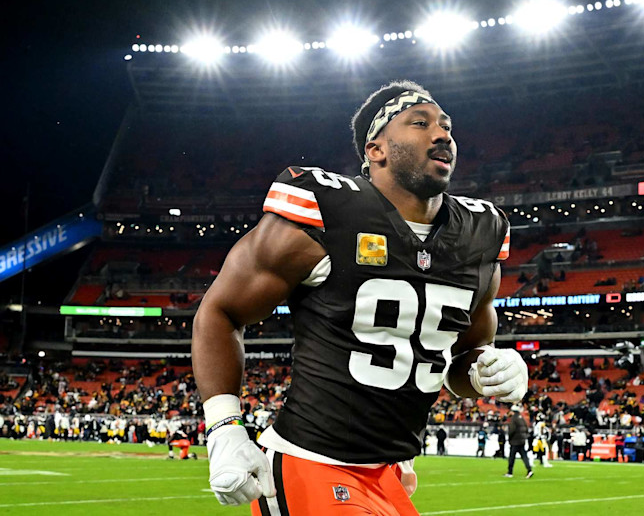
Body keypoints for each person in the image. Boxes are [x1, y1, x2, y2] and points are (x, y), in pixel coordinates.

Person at [191, 80, 529, 515]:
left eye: (446, 126)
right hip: (309, 464)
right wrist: (224, 428)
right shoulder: (328, 210)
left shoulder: (480, 233)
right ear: (376, 150)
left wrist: (490, 371)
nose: (442, 134)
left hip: (388, 474)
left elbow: (460, 364)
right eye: (420, 123)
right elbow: (221, 311)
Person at [505, 405, 533, 478]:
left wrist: (509, 438)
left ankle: (510, 472)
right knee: (524, 456)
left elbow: (512, 430)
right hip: (522, 440)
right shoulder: (522, 418)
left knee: (512, 457)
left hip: (515, 441)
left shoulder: (514, 419)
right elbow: (526, 429)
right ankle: (529, 470)